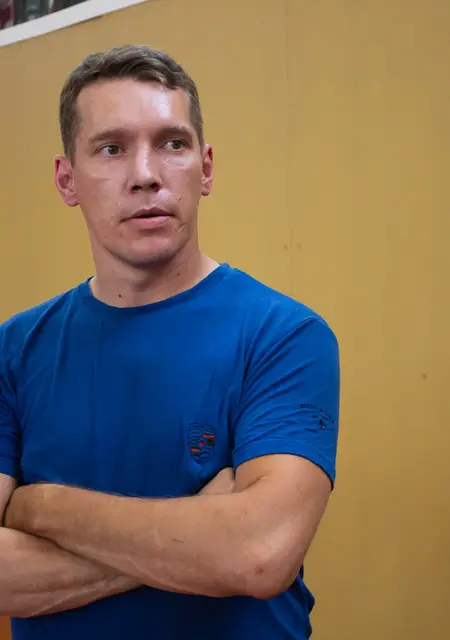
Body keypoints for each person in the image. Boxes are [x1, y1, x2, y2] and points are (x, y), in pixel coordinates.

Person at [0, 45, 340, 640]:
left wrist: (37, 507)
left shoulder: (284, 336)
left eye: (172, 143)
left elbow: (259, 554)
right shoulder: (13, 349)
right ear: (66, 179)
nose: (146, 174)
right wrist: (203, 536)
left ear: (205, 169)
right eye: (111, 148)